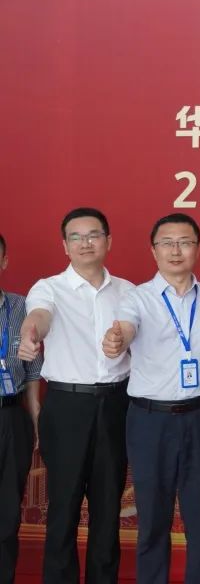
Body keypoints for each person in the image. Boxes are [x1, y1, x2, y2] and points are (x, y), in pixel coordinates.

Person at [102, 213, 200, 584]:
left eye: (185, 242)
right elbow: (125, 329)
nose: (176, 250)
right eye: (167, 243)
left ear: (197, 248)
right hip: (150, 420)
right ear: (154, 250)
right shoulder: (137, 298)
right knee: (152, 518)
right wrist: (117, 340)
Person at [19, 207, 135, 584]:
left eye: (93, 235)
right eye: (76, 237)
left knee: (108, 509)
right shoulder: (49, 287)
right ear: (65, 246)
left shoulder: (128, 292)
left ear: (108, 241)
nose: (85, 243)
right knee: (63, 507)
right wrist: (30, 333)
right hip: (67, 406)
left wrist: (123, 339)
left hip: (116, 404)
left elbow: (135, 333)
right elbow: (39, 316)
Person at [0, 233, 42, 584]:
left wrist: (36, 416)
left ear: (4, 262)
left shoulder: (21, 307)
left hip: (11, 416)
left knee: (7, 510)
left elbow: (31, 371)